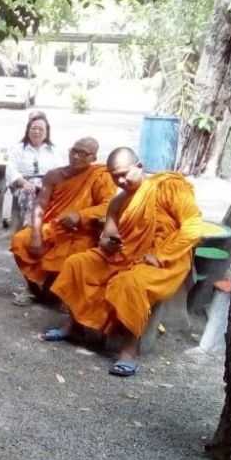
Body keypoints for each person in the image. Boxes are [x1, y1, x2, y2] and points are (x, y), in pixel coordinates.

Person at [46, 148, 203, 377]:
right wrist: (107, 241)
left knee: (130, 282)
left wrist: (161, 255)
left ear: (138, 166)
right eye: (113, 176)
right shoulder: (119, 201)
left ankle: (129, 351)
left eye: (123, 173)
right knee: (77, 263)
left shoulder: (169, 187)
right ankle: (75, 326)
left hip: (166, 259)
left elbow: (193, 227)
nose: (119, 180)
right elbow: (109, 230)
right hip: (125, 255)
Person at [9, 137, 116, 306]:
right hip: (53, 228)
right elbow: (40, 205)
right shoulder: (54, 175)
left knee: (52, 298)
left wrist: (80, 215)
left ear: (93, 158)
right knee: (20, 240)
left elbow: (108, 205)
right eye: (74, 151)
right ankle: (33, 289)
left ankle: (53, 292)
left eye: (83, 154)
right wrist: (36, 235)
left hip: (80, 233)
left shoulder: (100, 176)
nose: (76, 157)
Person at [4, 114, 65, 228]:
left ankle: (50, 226)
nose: (37, 132)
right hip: (23, 183)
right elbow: (11, 169)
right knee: (30, 192)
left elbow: (61, 170)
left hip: (47, 183)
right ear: (28, 131)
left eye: (41, 129)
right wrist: (24, 182)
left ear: (47, 133)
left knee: (56, 193)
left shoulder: (53, 151)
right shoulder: (19, 149)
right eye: (33, 128)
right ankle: (29, 226)